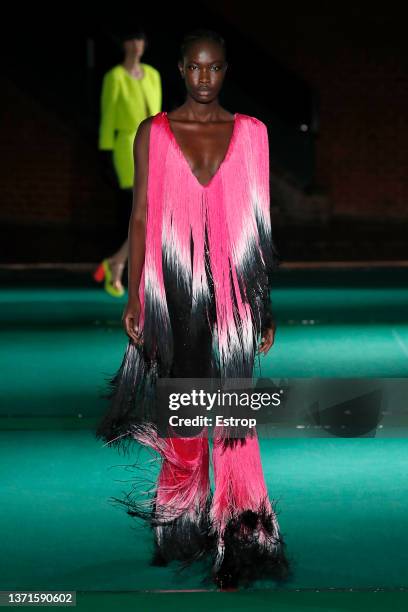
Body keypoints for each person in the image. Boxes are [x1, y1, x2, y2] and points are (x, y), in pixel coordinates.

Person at [96, 29, 290, 589]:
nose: (205, 79)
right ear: (180, 70)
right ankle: (182, 523)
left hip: (234, 292)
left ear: (226, 70)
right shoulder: (153, 134)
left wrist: (265, 304)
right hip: (175, 286)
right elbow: (139, 217)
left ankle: (241, 532)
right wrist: (134, 294)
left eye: (215, 69)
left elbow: (259, 225)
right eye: (195, 69)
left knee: (232, 412)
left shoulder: (252, 134)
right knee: (184, 399)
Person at [94, 29, 162, 297]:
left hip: (154, 143)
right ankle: (124, 265)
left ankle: (118, 262)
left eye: (141, 39)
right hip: (126, 144)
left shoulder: (154, 74)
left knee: (150, 210)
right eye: (132, 38)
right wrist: (105, 152)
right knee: (146, 207)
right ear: (124, 44)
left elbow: (159, 114)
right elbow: (108, 114)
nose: (137, 44)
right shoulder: (114, 77)